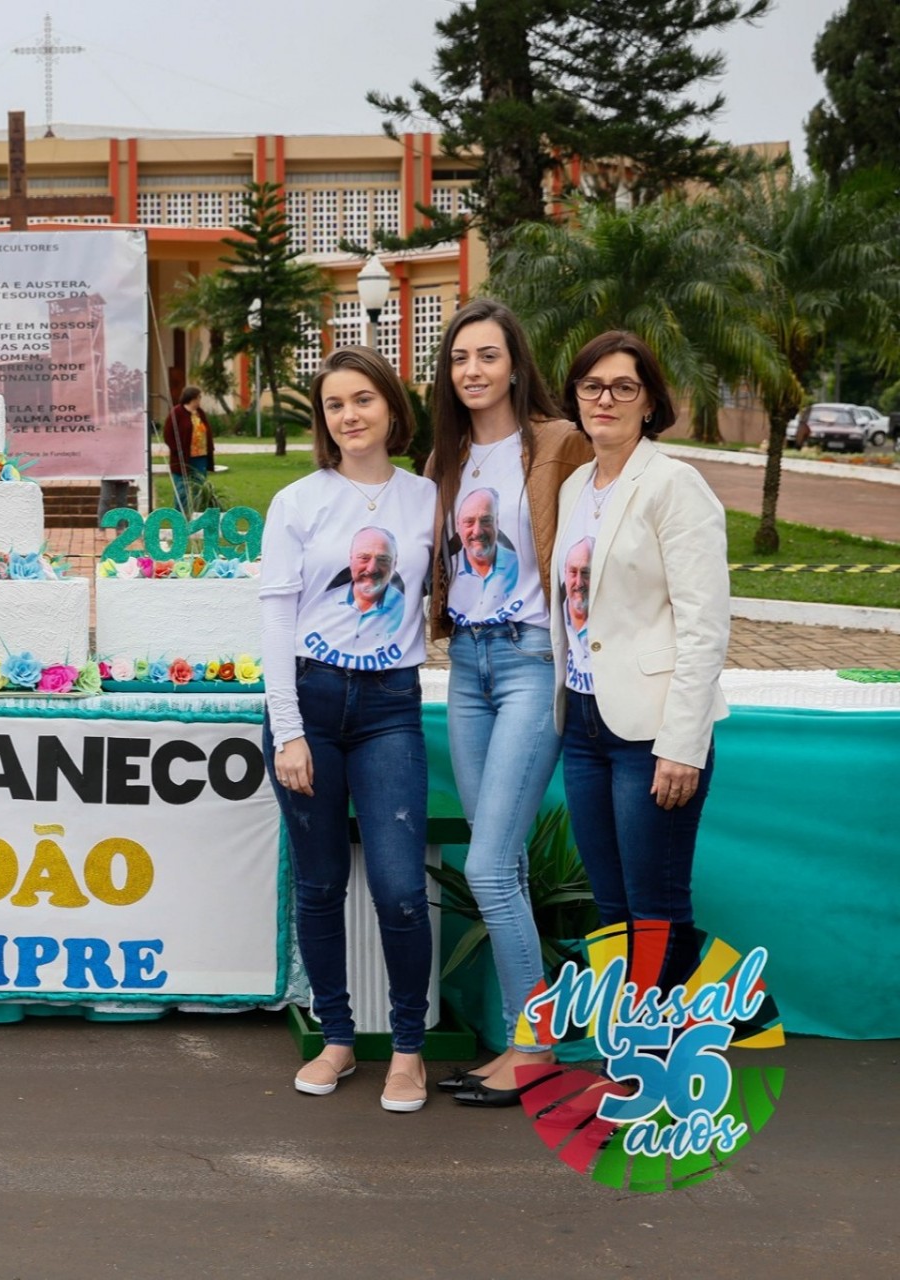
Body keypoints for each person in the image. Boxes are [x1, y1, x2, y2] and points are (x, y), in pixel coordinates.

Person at [422, 298, 592, 1107]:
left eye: (486, 356)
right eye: (460, 359)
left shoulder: (558, 444)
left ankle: (535, 1048)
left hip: (531, 661)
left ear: (515, 365)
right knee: (505, 863)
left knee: (488, 864)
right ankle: (524, 1045)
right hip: (468, 666)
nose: (473, 371)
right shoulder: (445, 459)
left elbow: (597, 541)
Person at [259, 346, 438, 1113]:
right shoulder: (298, 502)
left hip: (390, 706)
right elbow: (275, 618)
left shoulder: (429, 497)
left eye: (362, 399)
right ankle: (337, 1037)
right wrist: (289, 730)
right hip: (309, 702)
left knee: (400, 888)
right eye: (335, 405)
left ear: (392, 408)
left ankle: (407, 1050)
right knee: (322, 883)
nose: (350, 415)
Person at [551, 331, 730, 998]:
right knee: (612, 908)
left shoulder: (675, 486)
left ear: (650, 401)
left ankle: (659, 1070)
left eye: (624, 387)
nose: (606, 399)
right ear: (575, 395)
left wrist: (683, 744)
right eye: (592, 386)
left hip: (652, 733)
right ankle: (626, 1048)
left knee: (655, 909)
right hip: (585, 723)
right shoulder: (576, 486)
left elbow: (704, 625)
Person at [163, 386, 214, 512]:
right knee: (182, 490)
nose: (200, 400)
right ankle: (181, 516)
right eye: (198, 398)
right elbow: (168, 435)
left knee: (199, 488)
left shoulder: (200, 413)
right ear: (192, 399)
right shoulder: (177, 413)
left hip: (200, 457)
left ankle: (197, 515)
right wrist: (177, 450)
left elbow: (206, 431)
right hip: (182, 458)